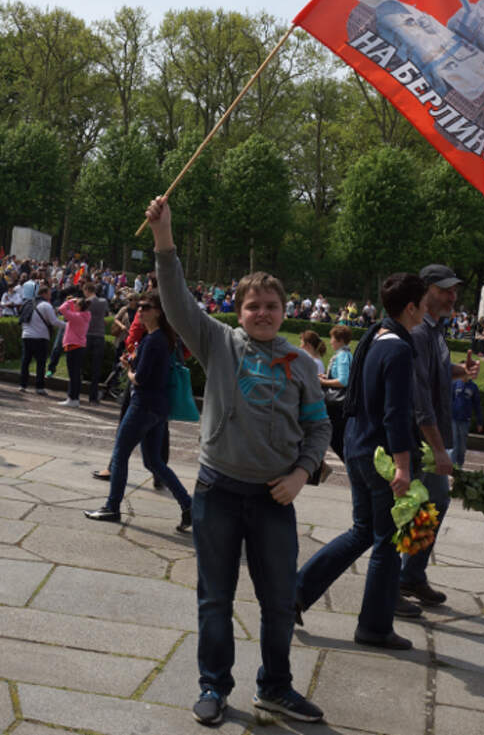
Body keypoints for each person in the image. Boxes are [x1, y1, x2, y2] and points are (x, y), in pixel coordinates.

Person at [145, 195, 331, 727]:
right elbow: (177, 301)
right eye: (253, 306)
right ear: (240, 310)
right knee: (215, 599)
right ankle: (213, 685)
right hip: (219, 493)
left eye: (271, 306)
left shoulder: (302, 364)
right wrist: (165, 238)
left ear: (284, 311)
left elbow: (319, 426)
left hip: (275, 497)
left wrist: (301, 473)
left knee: (278, 603)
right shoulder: (218, 343)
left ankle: (275, 688)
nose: (263, 314)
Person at [296, 273, 427, 650]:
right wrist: (403, 466)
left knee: (363, 532)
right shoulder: (399, 349)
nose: (425, 311)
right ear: (410, 307)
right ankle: (373, 626)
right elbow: (396, 414)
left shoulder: (375, 338)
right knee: (388, 541)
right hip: (381, 457)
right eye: (422, 304)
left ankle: (297, 593)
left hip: (358, 449)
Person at [400, 264, 479, 607]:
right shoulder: (419, 333)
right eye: (445, 289)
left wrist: (459, 371)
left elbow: (435, 373)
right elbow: (419, 400)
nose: (452, 296)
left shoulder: (434, 330)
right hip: (420, 441)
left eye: (454, 290)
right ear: (425, 290)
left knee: (429, 505)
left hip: (427, 439)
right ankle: (405, 578)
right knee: (421, 507)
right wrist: (439, 449)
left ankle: (411, 576)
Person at [84, 291, 193, 531]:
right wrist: (133, 363)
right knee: (154, 461)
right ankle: (189, 505)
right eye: (140, 306)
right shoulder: (162, 338)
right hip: (158, 407)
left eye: (146, 307)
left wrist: (128, 370)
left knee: (120, 455)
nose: (140, 311)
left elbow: (141, 379)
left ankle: (112, 507)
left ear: (159, 312)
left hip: (142, 405)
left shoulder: (153, 340)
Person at [19, 285, 64, 395]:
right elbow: (54, 322)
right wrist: (68, 325)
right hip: (40, 337)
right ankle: (39, 387)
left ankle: (22, 385)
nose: (50, 296)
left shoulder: (27, 303)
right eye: (49, 293)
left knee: (25, 361)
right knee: (40, 363)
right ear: (44, 294)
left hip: (26, 336)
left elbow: (22, 319)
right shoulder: (46, 305)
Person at [319, 326, 353, 461]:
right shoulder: (347, 354)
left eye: (332, 338)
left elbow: (343, 381)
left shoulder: (341, 356)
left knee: (335, 439)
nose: (330, 341)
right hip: (341, 404)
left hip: (336, 405)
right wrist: (326, 376)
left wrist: (323, 382)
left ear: (339, 340)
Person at [57, 297, 91, 407]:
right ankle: (74, 398)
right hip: (79, 346)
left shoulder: (77, 317)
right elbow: (68, 311)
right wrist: (74, 303)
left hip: (73, 346)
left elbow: (62, 309)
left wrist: (70, 301)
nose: (74, 306)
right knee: (76, 373)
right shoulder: (83, 316)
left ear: (80, 307)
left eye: (76, 305)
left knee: (73, 374)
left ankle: (72, 398)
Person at [450, 368, 483, 466]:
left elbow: (477, 405)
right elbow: (449, 399)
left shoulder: (473, 387)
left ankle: (459, 465)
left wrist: (479, 422)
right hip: (454, 418)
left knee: (462, 446)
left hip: (465, 420)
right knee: (454, 444)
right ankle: (452, 467)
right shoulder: (455, 384)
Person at [83, 282, 108, 405]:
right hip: (100, 335)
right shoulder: (103, 302)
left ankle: (74, 394)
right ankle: (93, 398)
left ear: (87, 290)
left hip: (87, 334)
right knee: (96, 368)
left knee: (79, 364)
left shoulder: (86, 303)